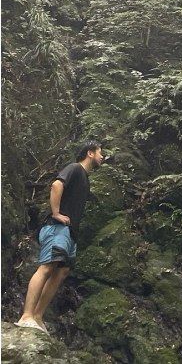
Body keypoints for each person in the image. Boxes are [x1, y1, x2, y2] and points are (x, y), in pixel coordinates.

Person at [15, 140, 104, 334]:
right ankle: (26, 316)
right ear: (90, 153)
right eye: (100, 152)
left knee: (61, 272)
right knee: (47, 267)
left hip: (70, 233)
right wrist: (56, 213)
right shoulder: (75, 168)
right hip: (57, 228)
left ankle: (38, 316)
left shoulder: (85, 178)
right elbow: (56, 185)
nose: (102, 156)